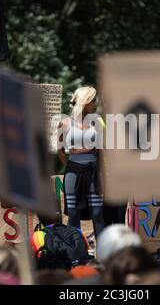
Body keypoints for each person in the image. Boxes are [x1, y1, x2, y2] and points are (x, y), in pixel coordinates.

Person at [57, 86, 105, 239]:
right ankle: (75, 254)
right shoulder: (64, 123)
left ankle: (103, 254)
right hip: (73, 173)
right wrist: (71, 165)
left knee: (97, 213)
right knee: (73, 213)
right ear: (84, 102)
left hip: (93, 172)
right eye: (93, 101)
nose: (95, 104)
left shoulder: (96, 121)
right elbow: (59, 149)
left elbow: (101, 150)